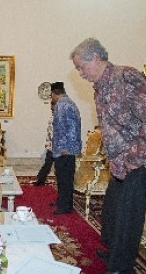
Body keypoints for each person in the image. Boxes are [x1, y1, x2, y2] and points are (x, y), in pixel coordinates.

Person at [70, 38, 146, 273]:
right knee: (111, 210)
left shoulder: (126, 76)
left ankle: (121, 267)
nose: (80, 73)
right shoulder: (99, 88)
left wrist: (136, 157)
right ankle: (113, 251)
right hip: (122, 163)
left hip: (145, 159)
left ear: (95, 58)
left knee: (128, 212)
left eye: (80, 67)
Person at [50, 82, 82, 215]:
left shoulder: (63, 105)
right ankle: (62, 201)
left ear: (53, 93)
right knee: (63, 177)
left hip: (65, 149)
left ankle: (65, 206)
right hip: (66, 148)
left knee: (65, 179)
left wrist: (64, 147)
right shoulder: (68, 102)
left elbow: (67, 128)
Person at [32, 100, 56, 186]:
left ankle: (41, 180)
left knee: (53, 166)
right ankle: (40, 180)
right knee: (47, 164)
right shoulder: (52, 116)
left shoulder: (58, 116)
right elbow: (49, 132)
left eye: (52, 106)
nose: (51, 108)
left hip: (57, 147)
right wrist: (47, 143)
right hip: (51, 146)